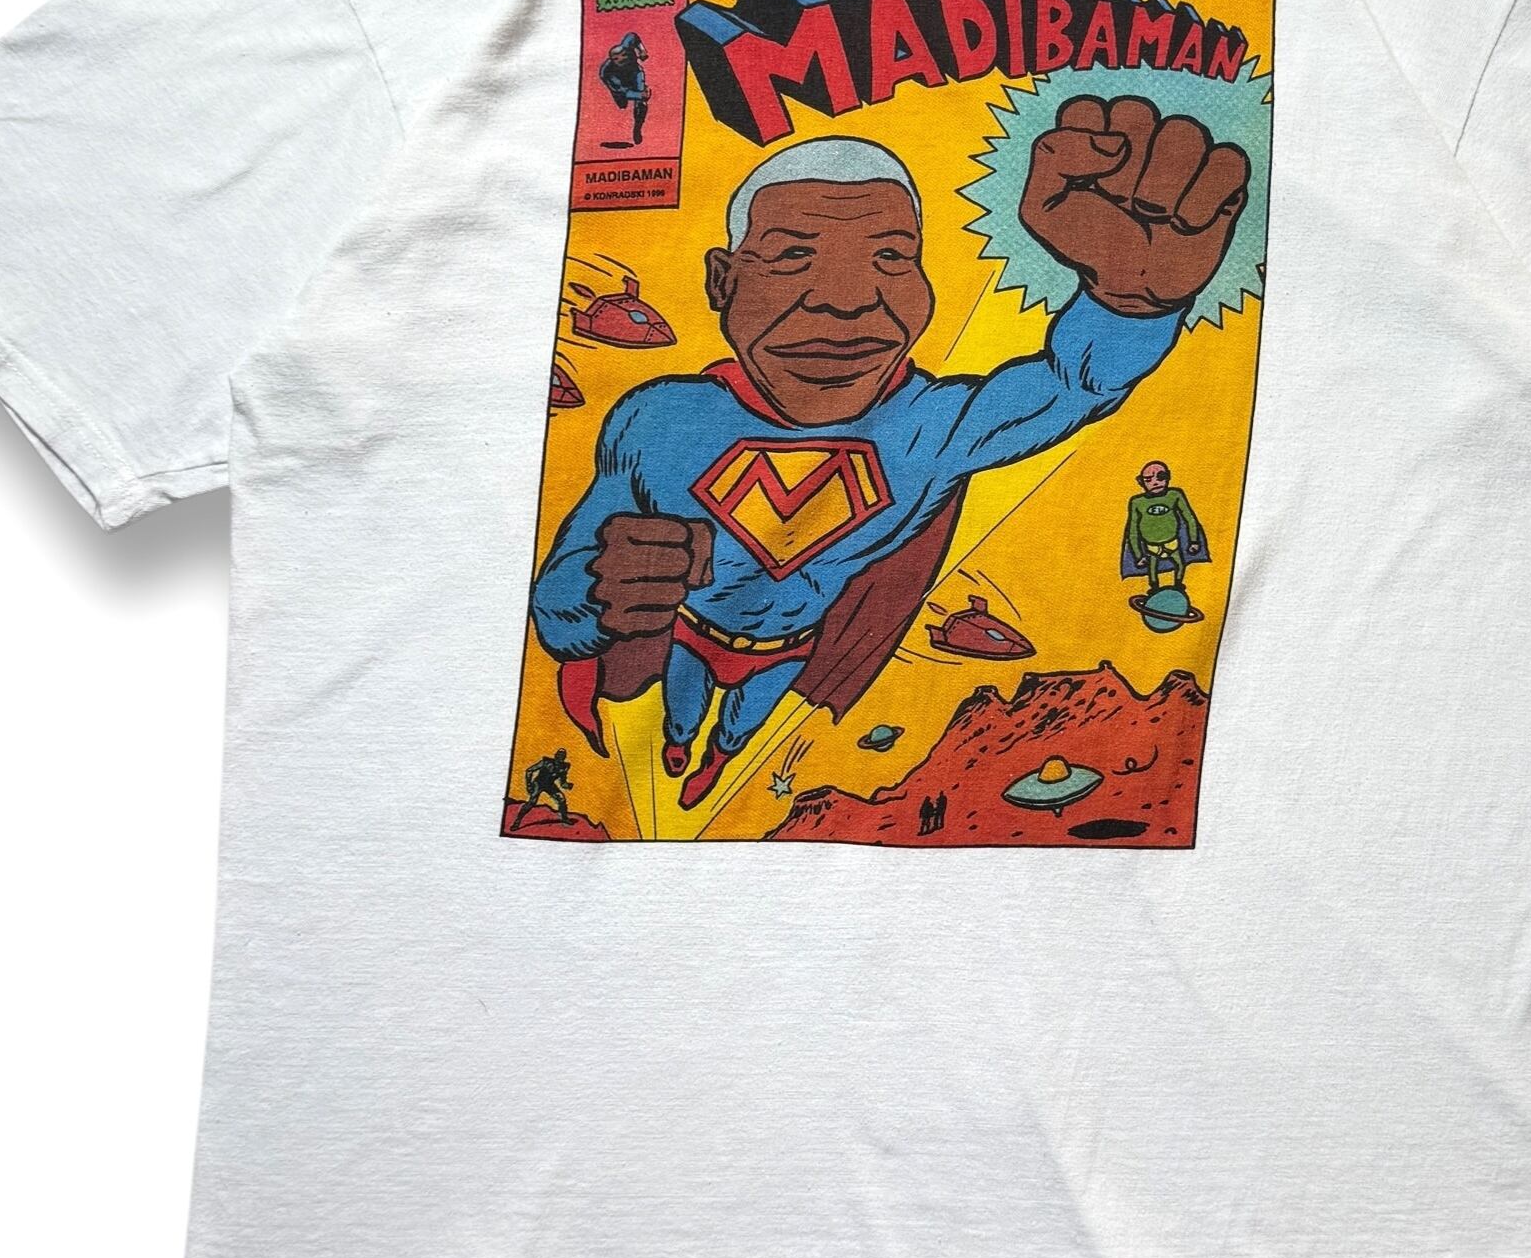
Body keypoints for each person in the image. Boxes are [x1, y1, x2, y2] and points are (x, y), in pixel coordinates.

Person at [531, 96, 1249, 807]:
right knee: (680, 715)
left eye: (891, 257)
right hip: (693, 633)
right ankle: (681, 745)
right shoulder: (658, 419)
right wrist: (599, 591)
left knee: (740, 726)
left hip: (790, 647)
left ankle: (715, 758)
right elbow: (558, 606)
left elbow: (1070, 386)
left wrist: (1130, 303)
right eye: (792, 256)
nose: (847, 301)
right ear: (724, 280)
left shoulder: (931, 427)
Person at [1122, 459, 1209, 598]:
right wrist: (1138, 555)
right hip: (1151, 547)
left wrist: (1194, 541)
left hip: (1172, 543)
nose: (1155, 482)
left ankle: (1178, 586)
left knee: (1180, 564)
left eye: (1161, 477)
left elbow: (1189, 518)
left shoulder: (1174, 495)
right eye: (1149, 479)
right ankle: (1154, 590)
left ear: (1168, 477)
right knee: (1152, 570)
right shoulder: (1137, 502)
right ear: (1142, 482)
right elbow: (1133, 530)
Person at [597, 32, 650, 148]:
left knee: (642, 103)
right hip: (620, 85)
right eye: (621, 61)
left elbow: (633, 36)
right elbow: (622, 91)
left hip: (635, 74)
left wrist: (642, 50)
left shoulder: (627, 44)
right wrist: (638, 95)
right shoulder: (607, 74)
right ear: (614, 60)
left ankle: (638, 126)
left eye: (627, 56)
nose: (626, 60)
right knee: (622, 103)